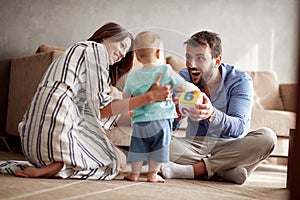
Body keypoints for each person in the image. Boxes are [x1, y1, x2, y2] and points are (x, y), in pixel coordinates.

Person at [12, 22, 172, 180]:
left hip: (33, 142)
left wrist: (155, 112)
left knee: (121, 160)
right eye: (122, 46)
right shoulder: (94, 49)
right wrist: (148, 97)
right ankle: (63, 165)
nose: (123, 54)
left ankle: (61, 163)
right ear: (105, 36)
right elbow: (103, 109)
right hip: (55, 131)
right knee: (116, 162)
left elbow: (108, 115)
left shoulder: (81, 58)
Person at [160, 31, 277, 184]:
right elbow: (166, 126)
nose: (191, 64)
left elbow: (239, 127)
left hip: (231, 145)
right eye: (189, 57)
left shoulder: (239, 81)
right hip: (196, 145)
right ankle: (225, 170)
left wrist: (212, 114)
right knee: (155, 137)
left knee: (267, 138)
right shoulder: (183, 78)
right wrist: (175, 115)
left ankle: (195, 170)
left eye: (200, 58)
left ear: (217, 60)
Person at [123, 31, 199, 183]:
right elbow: (183, 86)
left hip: (139, 121)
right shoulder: (165, 70)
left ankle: (134, 174)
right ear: (158, 52)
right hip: (162, 119)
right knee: (159, 148)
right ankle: (152, 175)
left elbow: (126, 98)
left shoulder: (132, 76)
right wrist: (195, 90)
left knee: (138, 147)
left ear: (138, 57)